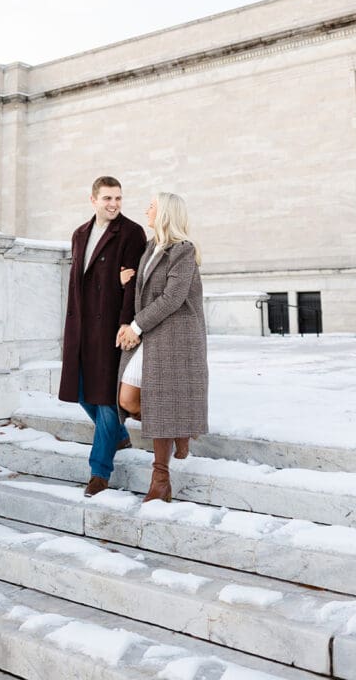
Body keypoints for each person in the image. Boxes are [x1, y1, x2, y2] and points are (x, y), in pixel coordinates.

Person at [117, 192, 208, 503]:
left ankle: (161, 480)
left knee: (155, 402)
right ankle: (178, 429)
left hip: (175, 338)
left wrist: (136, 327)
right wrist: (127, 280)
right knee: (127, 399)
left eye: (152, 206)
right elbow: (145, 291)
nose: (147, 210)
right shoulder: (149, 248)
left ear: (166, 213)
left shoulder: (183, 251)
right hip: (153, 333)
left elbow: (172, 298)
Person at [58, 176, 147, 496]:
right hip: (81, 326)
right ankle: (119, 435)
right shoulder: (80, 234)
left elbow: (134, 285)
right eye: (108, 198)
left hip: (112, 327)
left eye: (119, 199)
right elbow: (78, 282)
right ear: (93, 199)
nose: (114, 204)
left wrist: (128, 325)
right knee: (81, 390)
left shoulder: (132, 233)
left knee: (107, 399)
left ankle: (99, 471)